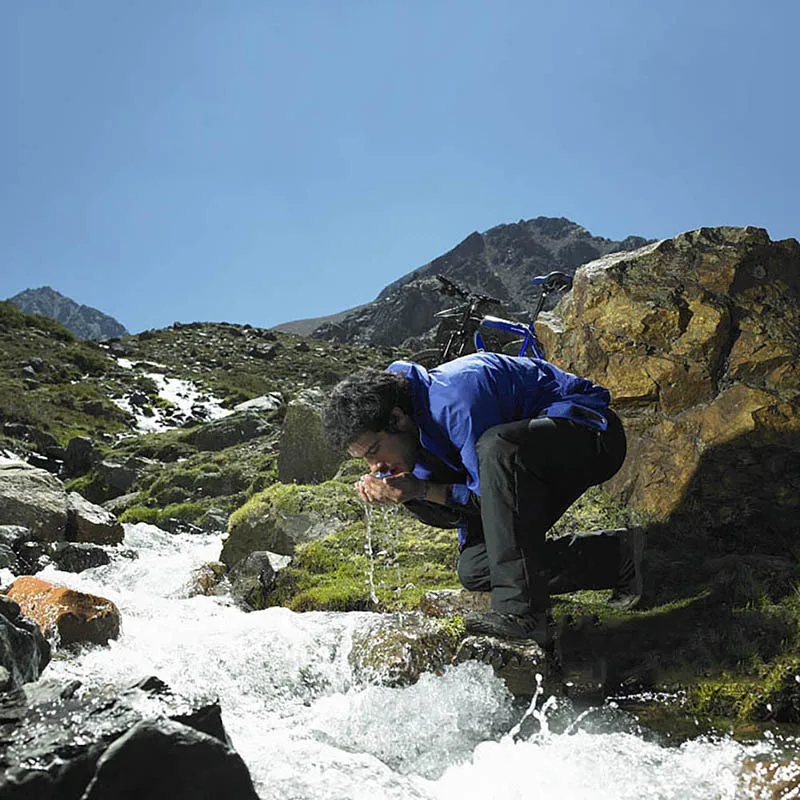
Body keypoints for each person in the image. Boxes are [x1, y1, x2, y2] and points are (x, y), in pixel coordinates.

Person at [322, 351, 643, 646]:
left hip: (591, 437)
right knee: (476, 568)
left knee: (497, 446)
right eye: (364, 459)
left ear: (396, 419)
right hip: (521, 471)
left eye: (374, 450)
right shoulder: (410, 440)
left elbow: (489, 493)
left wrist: (421, 490)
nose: (374, 467)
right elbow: (468, 512)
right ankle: (619, 555)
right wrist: (409, 495)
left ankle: (522, 614)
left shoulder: (456, 400)